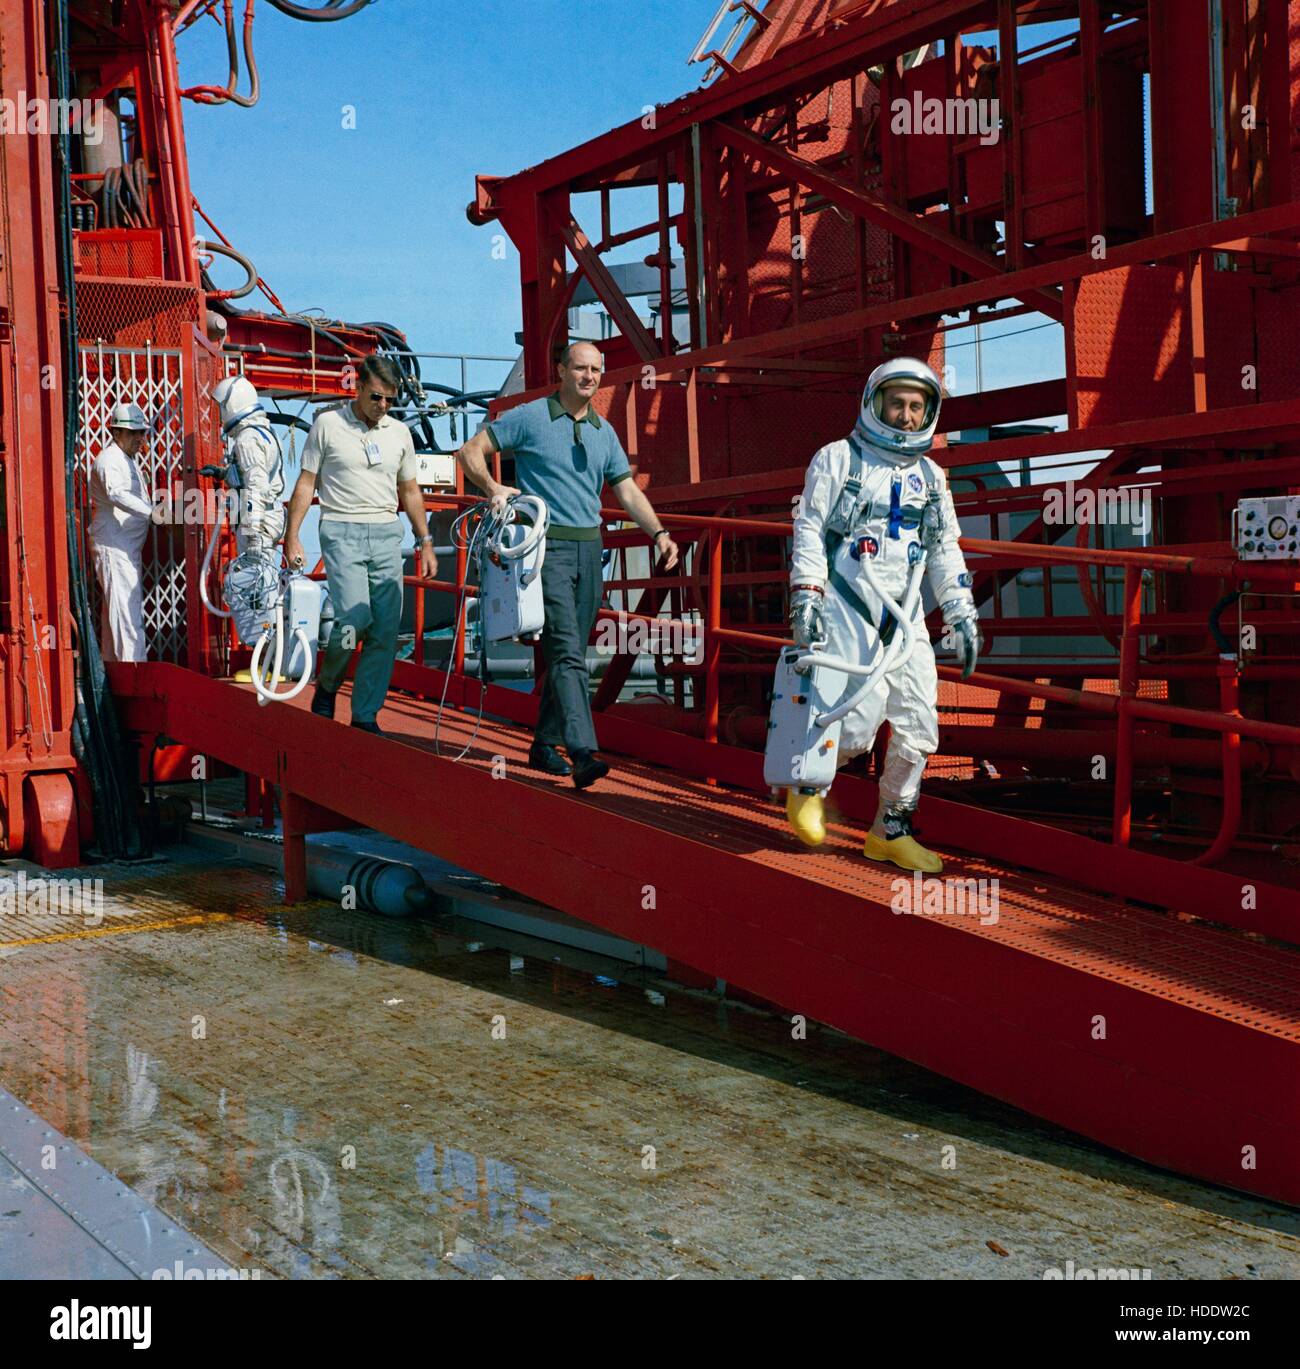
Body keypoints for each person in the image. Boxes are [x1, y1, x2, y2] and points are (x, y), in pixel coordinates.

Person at [785, 357, 981, 873]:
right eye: (897, 403)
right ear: (875, 403)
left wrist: (962, 612)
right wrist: (806, 593)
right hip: (850, 604)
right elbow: (808, 528)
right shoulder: (838, 460)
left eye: (918, 407)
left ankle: (890, 829)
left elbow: (944, 548)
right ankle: (808, 785)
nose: (907, 416)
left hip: (908, 614)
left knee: (919, 727)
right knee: (852, 726)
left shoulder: (932, 477)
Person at [456, 341, 679, 789]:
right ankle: (581, 751)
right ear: (561, 370)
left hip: (589, 549)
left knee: (572, 653)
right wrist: (494, 487)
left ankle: (543, 745)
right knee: (563, 649)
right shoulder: (531, 416)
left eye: (597, 369)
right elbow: (469, 451)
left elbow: (627, 491)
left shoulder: (603, 432)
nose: (590, 377)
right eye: (581, 368)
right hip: (547, 550)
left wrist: (659, 533)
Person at [282, 355, 437, 736]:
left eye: (390, 400)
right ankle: (330, 684)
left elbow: (409, 489)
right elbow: (306, 483)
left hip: (386, 533)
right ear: (358, 388)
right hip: (342, 531)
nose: (383, 406)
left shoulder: (399, 433)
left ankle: (365, 714)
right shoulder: (328, 425)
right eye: (377, 397)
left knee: (385, 631)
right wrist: (292, 535)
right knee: (353, 621)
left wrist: (426, 540)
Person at [89, 401, 154, 664]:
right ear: (116, 433)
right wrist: (153, 513)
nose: (139, 438)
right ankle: (136, 675)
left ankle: (116, 677)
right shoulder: (109, 460)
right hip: (115, 548)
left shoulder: (125, 459)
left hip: (123, 548)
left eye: (142, 432)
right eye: (133, 433)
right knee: (126, 618)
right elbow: (117, 493)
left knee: (116, 617)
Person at [212, 374, 285, 556]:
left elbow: (256, 484)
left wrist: (253, 533)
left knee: (254, 581)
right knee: (262, 579)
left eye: (223, 406)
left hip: (258, 523)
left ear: (233, 404)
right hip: (269, 515)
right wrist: (224, 474)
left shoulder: (247, 439)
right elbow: (257, 474)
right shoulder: (265, 432)